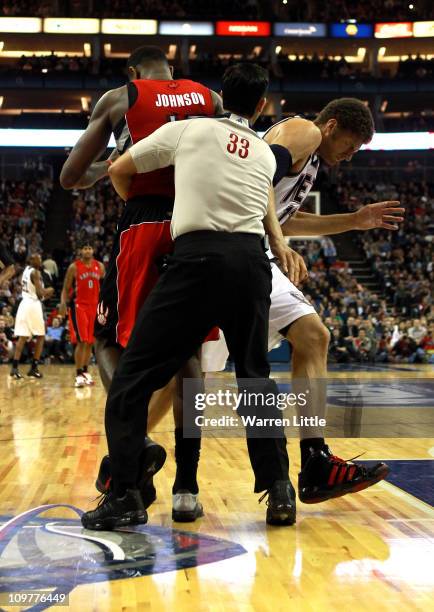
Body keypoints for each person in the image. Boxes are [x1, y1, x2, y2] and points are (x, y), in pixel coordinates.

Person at [81, 62, 306, 531]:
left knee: (133, 379)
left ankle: (124, 495)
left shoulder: (191, 129)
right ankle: (280, 490)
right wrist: (280, 241)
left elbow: (120, 169)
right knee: (256, 381)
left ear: (221, 96)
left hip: (196, 258)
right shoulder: (264, 154)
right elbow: (267, 208)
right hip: (250, 264)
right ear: (262, 106)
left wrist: (137, 207)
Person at [202, 98, 399, 505]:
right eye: (351, 144)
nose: (350, 155)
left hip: (253, 249)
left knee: (313, 336)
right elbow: (252, 182)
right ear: (331, 126)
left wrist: (353, 220)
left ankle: (315, 461)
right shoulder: (304, 132)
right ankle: (122, 462)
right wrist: (276, 242)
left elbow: (285, 217)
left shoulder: (307, 160)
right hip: (235, 246)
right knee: (181, 376)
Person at [60, 45, 222, 518]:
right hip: (199, 226)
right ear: (174, 71)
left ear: (134, 72)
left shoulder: (119, 97)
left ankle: (133, 449)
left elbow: (71, 177)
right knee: (188, 356)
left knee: (109, 340)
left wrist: (112, 165)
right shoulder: (208, 98)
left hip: (145, 225)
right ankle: (187, 489)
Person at [59, 239, 105, 387]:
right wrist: (62, 303)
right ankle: (78, 373)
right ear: (80, 251)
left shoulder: (100, 266)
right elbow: (66, 288)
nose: (87, 251)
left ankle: (85, 371)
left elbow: (104, 288)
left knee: (90, 342)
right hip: (79, 306)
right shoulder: (74, 267)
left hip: (95, 307)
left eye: (89, 248)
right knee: (81, 341)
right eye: (85, 248)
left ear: (93, 250)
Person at [10, 253, 54, 379]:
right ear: (31, 260)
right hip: (33, 305)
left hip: (23, 304)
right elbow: (40, 294)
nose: (40, 260)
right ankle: (34, 368)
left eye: (41, 258)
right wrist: (50, 291)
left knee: (22, 338)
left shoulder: (25, 270)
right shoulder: (35, 272)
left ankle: (14, 367)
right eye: (38, 258)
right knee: (40, 336)